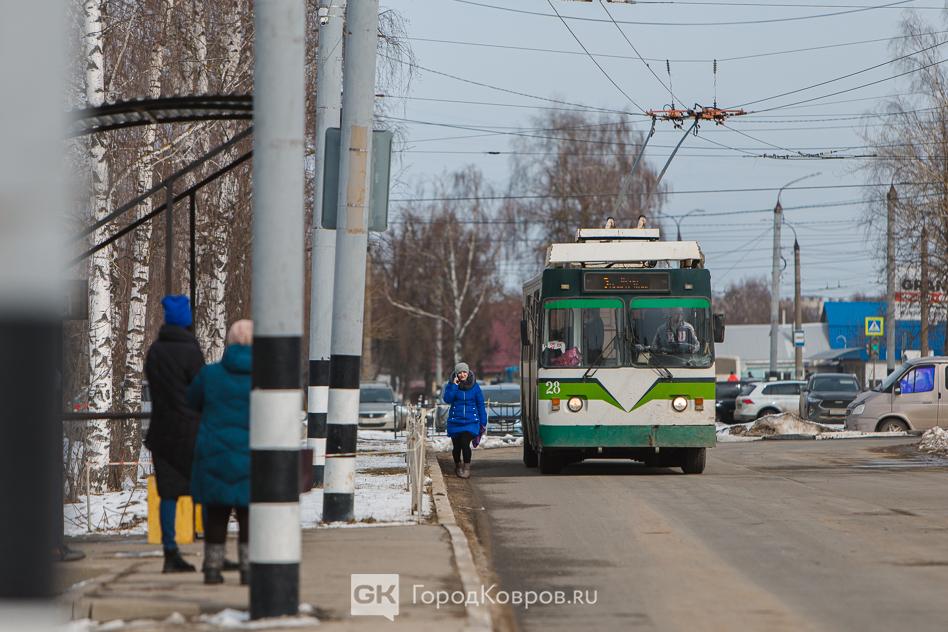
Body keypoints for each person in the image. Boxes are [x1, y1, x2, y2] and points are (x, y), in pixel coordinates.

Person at [187, 319, 252, 585]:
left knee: (215, 511)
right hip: (252, 454)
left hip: (214, 452)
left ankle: (212, 568)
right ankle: (249, 570)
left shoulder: (209, 375)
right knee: (249, 513)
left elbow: (191, 401)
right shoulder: (267, 376)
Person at [144, 295, 205, 573]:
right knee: (205, 490)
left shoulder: (155, 351)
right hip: (190, 432)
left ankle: (170, 553)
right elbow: (201, 389)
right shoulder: (191, 351)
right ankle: (215, 552)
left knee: (168, 494)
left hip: (161, 433)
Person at [442, 362, 487, 479]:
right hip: (455, 421)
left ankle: (467, 468)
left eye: (464, 372)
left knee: (464, 442)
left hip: (471, 422)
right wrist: (453, 385)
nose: (462, 374)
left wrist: (483, 421)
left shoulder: (475, 387)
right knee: (456, 446)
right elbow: (447, 399)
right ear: (456, 374)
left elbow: (480, 404)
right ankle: (458, 465)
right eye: (460, 372)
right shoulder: (452, 385)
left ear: (468, 373)